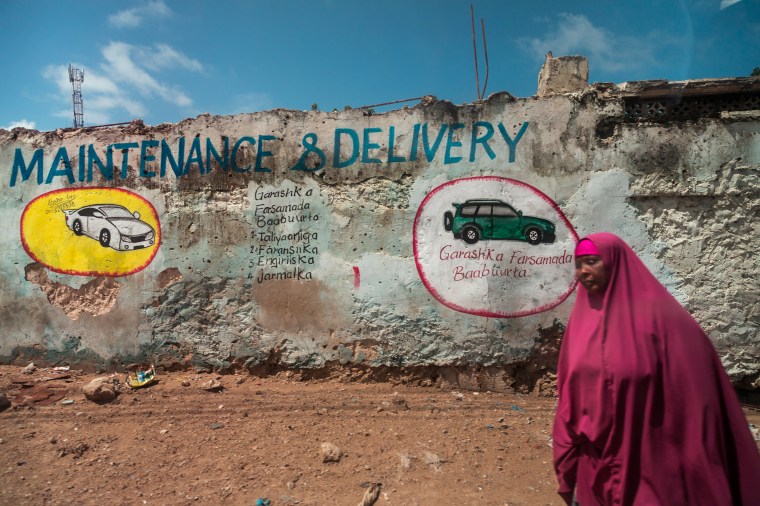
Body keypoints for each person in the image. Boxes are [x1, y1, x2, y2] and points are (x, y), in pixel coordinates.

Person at [553, 232, 760, 505]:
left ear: (614, 263)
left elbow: (700, 394)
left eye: (592, 262)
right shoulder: (580, 325)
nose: (583, 272)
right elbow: (569, 398)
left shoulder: (665, 322)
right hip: (599, 467)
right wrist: (567, 467)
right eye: (578, 265)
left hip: (654, 466)